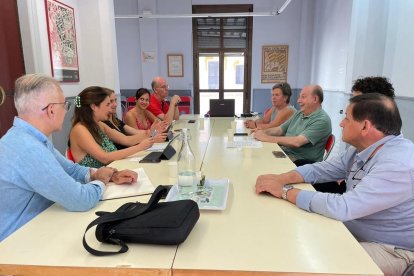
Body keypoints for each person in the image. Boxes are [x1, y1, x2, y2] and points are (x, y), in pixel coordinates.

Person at [255, 93, 414, 276]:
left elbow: (343, 207)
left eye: (347, 118)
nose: (341, 123)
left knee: (313, 264)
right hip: (352, 227)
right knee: (291, 238)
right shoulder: (363, 148)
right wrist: (280, 178)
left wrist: (285, 192)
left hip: (391, 249)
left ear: (365, 126)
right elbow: (322, 169)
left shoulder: (398, 164)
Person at [0, 74, 137, 242]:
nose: (66, 111)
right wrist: (102, 180)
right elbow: (81, 200)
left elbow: (71, 169)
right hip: (17, 244)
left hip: (41, 228)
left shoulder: (30, 138)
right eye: (64, 105)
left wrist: (105, 175)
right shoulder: (28, 148)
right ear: (51, 110)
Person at [69, 86, 155, 168]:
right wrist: (140, 147)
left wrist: (150, 133)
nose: (110, 108)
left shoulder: (99, 125)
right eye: (107, 104)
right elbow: (104, 158)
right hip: (98, 180)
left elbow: (126, 140)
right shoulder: (80, 130)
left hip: (114, 172)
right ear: (94, 107)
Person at [253, 85, 332, 165]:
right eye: (299, 97)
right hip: (286, 153)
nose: (298, 100)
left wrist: (266, 137)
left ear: (315, 99)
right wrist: (263, 132)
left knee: (261, 163)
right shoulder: (300, 113)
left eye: (303, 97)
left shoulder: (322, 120)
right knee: (257, 156)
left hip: (301, 162)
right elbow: (280, 129)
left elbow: (297, 142)